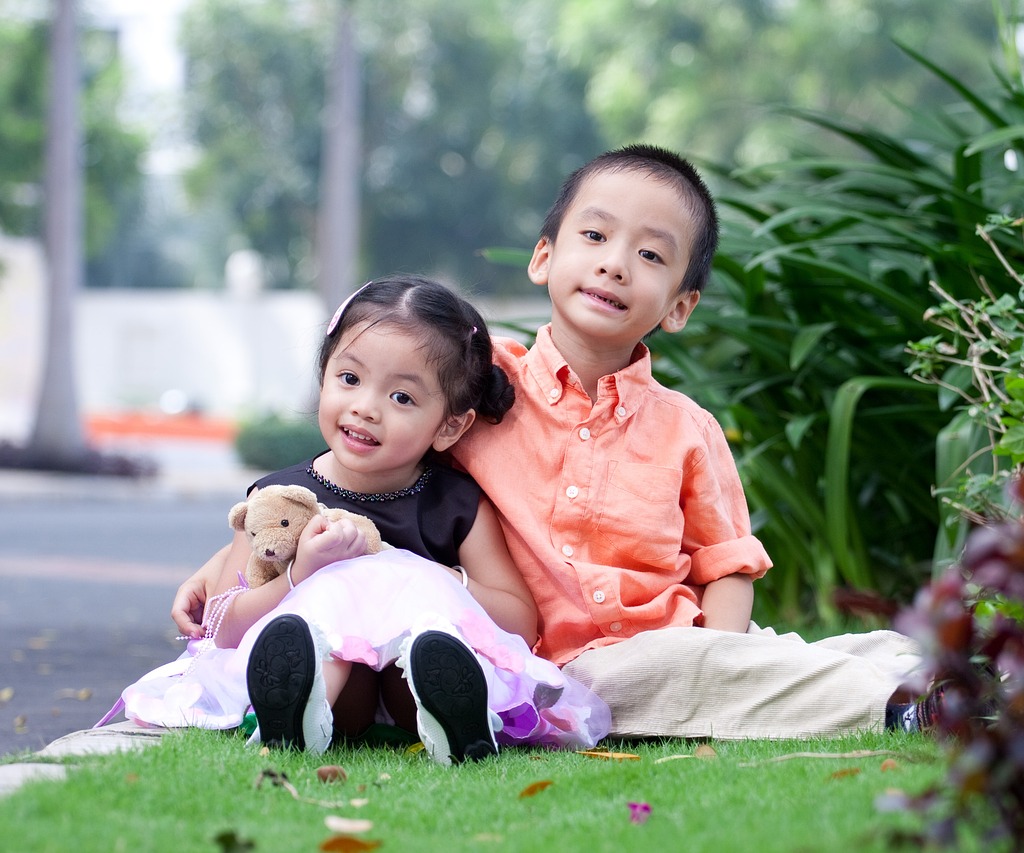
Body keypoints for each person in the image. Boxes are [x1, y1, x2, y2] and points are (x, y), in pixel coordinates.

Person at [174, 145, 930, 740]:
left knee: (787, 656)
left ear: (680, 305)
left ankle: (931, 668)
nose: (613, 262)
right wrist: (221, 566)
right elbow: (348, 451)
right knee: (726, 672)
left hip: (680, 640)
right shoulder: (472, 384)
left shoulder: (687, 428)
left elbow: (727, 563)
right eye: (595, 235)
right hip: (572, 666)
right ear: (544, 257)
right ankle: (911, 703)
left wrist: (723, 653)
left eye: (651, 255)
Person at [118, 275, 610, 761]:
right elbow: (224, 626)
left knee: (426, 644)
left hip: (405, 693)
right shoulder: (279, 500)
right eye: (349, 379)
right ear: (324, 375)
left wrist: (423, 574)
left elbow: (519, 622)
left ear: (450, 425)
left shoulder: (456, 505)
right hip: (339, 693)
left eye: (402, 398)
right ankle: (294, 717)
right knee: (317, 640)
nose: (365, 408)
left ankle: (451, 716)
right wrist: (300, 573)